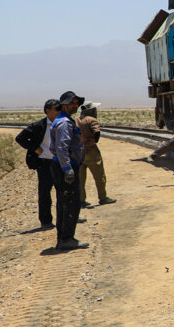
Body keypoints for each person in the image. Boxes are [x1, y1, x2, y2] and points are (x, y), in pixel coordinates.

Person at [14, 99, 64, 230]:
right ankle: (46, 221)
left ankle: (67, 217)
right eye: (56, 108)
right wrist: (34, 148)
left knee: (65, 192)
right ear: (48, 111)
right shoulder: (38, 126)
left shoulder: (64, 124)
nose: (60, 111)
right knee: (45, 193)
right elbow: (20, 138)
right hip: (45, 164)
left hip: (62, 163)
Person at [49, 91, 88, 251]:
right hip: (65, 167)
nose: (75, 106)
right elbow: (62, 147)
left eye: (77, 103)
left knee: (64, 204)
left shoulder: (64, 120)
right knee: (71, 204)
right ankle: (66, 239)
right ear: (64, 104)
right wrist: (67, 169)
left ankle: (64, 238)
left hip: (63, 166)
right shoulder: (65, 123)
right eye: (72, 103)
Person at [76, 102, 116, 207]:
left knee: (80, 178)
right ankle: (103, 198)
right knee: (99, 176)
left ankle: (81, 200)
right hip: (91, 151)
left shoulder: (76, 120)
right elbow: (96, 133)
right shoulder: (91, 120)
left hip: (78, 152)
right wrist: (93, 141)